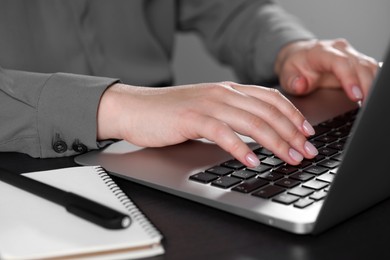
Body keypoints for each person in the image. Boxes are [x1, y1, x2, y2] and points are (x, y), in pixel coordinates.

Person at [0, 0, 378, 168]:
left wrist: (289, 49)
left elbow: (232, 10)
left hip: (168, 144)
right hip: (22, 164)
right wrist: (113, 106)